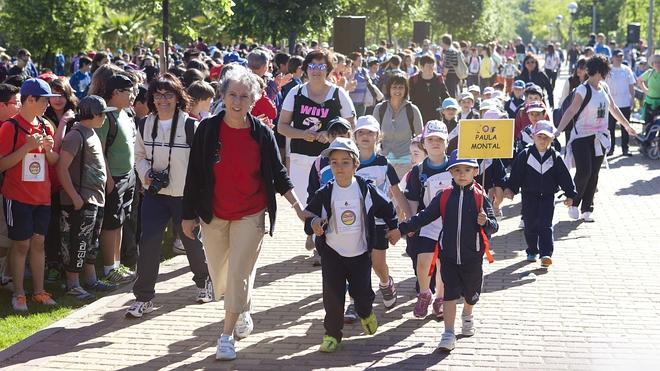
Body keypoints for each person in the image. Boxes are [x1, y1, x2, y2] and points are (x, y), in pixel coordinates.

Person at [181, 65, 306, 361]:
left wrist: (298, 207)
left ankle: (225, 336)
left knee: (238, 272)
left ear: (254, 99)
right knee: (221, 277)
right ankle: (242, 307)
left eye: (244, 96)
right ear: (222, 96)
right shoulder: (207, 130)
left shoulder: (261, 133)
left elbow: (278, 173)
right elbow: (195, 175)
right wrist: (187, 214)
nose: (237, 102)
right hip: (214, 214)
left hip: (251, 213)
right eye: (232, 95)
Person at [389, 149, 498, 352]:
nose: (462, 174)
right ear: (451, 172)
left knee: (472, 294)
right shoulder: (444, 196)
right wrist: (402, 229)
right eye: (457, 170)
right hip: (447, 256)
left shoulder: (480, 197)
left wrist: (486, 221)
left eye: (467, 169)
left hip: (472, 256)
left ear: (475, 171)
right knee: (449, 294)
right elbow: (423, 217)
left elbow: (493, 227)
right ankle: (448, 333)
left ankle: (467, 315)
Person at [127, 73, 213, 318]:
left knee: (191, 241)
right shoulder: (144, 124)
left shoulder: (190, 126)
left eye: (168, 95)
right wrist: (146, 175)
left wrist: (200, 196)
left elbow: (203, 164)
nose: (162, 100)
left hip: (185, 196)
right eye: (157, 95)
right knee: (149, 243)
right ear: (151, 98)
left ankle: (204, 280)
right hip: (155, 194)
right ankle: (144, 297)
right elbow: (139, 155)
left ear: (178, 98)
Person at [304, 137, 398, 353]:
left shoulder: (365, 189)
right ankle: (332, 335)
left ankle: (365, 313)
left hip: (359, 253)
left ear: (356, 165)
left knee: (362, 293)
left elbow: (387, 208)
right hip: (332, 254)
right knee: (333, 297)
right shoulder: (325, 192)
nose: (339, 167)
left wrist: (394, 228)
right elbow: (311, 216)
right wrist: (314, 224)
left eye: (345, 162)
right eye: (334, 162)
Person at [0, 78, 60, 311]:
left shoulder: (47, 126)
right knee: (21, 244)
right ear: (30, 99)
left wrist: (47, 150)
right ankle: (18, 293)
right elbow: (2, 165)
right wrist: (25, 148)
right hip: (17, 196)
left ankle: (39, 291)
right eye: (44, 100)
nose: (47, 105)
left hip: (42, 197)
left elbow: (54, 161)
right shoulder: (10, 127)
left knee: (38, 243)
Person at [556, 55, 637, 222]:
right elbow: (571, 111)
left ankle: (587, 208)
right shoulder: (582, 90)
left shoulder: (605, 87)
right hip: (581, 136)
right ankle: (574, 202)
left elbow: (613, 108)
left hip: (600, 137)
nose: (607, 74)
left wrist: (627, 126)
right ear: (599, 71)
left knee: (594, 173)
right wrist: (558, 131)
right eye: (606, 71)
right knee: (584, 171)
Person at [278, 50, 355, 211]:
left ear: (328, 70)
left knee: (329, 206)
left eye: (321, 66)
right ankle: (313, 236)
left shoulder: (338, 94)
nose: (316, 70)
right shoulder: (296, 93)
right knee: (307, 208)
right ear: (305, 69)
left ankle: (320, 236)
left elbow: (351, 127)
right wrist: (303, 134)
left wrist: (329, 136)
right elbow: (282, 126)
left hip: (331, 162)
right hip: (301, 159)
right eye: (312, 65)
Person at [57, 96, 118, 300]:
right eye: (102, 114)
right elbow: (62, 168)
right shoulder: (75, 136)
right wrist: (74, 196)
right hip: (80, 200)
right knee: (76, 242)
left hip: (95, 199)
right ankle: (73, 284)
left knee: (91, 242)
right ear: (94, 114)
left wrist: (109, 185)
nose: (104, 118)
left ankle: (91, 279)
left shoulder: (92, 132)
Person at [354, 115, 411, 309]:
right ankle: (355, 302)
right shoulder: (349, 163)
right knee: (357, 265)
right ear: (355, 136)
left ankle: (386, 282)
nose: (365, 136)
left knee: (378, 265)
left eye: (369, 132)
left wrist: (410, 219)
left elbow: (396, 192)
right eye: (361, 132)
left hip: (379, 223)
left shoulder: (384, 164)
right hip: (355, 223)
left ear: (378, 136)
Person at [504, 121, 577, 268]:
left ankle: (546, 254)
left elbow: (564, 177)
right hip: (529, 195)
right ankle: (532, 249)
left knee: (545, 225)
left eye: (546, 138)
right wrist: (511, 188)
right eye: (540, 137)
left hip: (548, 196)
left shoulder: (555, 157)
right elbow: (517, 173)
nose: (543, 141)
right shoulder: (525, 155)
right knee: (530, 225)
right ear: (533, 137)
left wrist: (570, 195)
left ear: (551, 139)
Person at [404, 120, 453, 319]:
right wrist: (412, 223)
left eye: (439, 140)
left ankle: (441, 298)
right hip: (427, 222)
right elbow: (413, 199)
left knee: (443, 262)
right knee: (423, 261)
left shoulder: (455, 165)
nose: (435, 143)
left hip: (451, 223)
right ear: (424, 143)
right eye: (431, 139)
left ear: (446, 142)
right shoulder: (419, 171)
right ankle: (424, 293)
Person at [96, 74, 138, 284]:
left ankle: (117, 264)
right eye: (128, 91)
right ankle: (108, 268)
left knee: (120, 221)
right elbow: (100, 151)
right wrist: (109, 179)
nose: (132, 96)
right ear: (116, 93)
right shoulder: (107, 117)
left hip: (128, 176)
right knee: (110, 224)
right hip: (114, 178)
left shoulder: (126, 114)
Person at [373, 72, 423, 177]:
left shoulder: (412, 110)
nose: (397, 90)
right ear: (389, 89)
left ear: (406, 89)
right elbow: (374, 136)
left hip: (406, 164)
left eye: (401, 87)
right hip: (384, 163)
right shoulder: (379, 109)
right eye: (394, 87)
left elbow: (420, 138)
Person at [0, 83, 21, 291]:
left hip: (9, 191)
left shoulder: (15, 125)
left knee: (7, 239)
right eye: (16, 103)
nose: (20, 106)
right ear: (2, 105)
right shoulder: (6, 127)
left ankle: (5, 276)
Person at [605, 49, 636, 156]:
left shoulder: (627, 70)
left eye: (621, 56)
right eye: (617, 56)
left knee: (625, 127)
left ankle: (625, 149)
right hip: (611, 105)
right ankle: (611, 149)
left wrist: (632, 99)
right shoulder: (608, 70)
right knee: (610, 128)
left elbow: (631, 85)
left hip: (625, 103)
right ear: (612, 57)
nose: (619, 58)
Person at [409, 55, 450, 124]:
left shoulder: (438, 78)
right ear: (421, 67)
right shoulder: (414, 80)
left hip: (435, 115)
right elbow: (410, 97)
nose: (431, 69)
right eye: (428, 66)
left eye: (432, 66)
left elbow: (445, 96)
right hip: (418, 115)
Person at [637, 54, 660, 128]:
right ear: (652, 64)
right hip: (649, 102)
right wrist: (645, 90)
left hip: (659, 103)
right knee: (648, 124)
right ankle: (647, 138)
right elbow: (639, 80)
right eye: (655, 62)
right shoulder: (649, 73)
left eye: (659, 62)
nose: (657, 64)